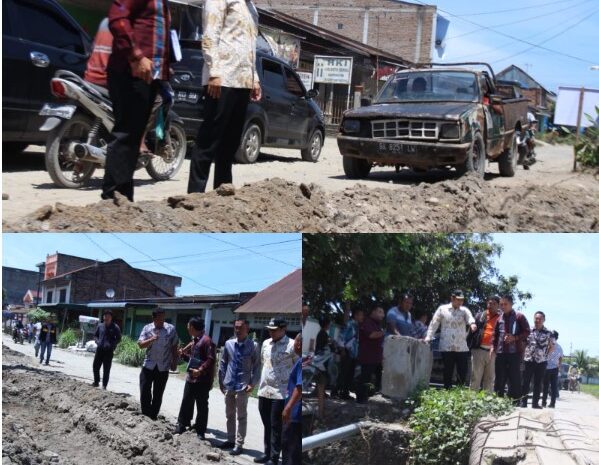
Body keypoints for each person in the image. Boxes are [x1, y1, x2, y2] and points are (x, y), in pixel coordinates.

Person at [187, 0, 262, 194]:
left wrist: (255, 79)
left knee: (230, 144)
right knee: (209, 140)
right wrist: (214, 71)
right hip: (222, 78)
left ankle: (222, 196)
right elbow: (210, 35)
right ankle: (194, 197)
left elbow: (250, 46)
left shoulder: (251, 8)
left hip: (242, 81)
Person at [102, 0, 172, 201]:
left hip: (149, 76)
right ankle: (111, 199)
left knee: (133, 139)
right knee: (125, 135)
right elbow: (118, 19)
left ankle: (123, 199)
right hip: (130, 72)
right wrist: (136, 57)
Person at [256, 318, 298, 465]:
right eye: (269, 330)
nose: (271, 332)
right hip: (264, 390)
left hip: (280, 392)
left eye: (274, 330)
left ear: (283, 329)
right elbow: (263, 362)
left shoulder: (292, 345)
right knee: (267, 424)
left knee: (276, 425)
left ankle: (274, 458)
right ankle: (266, 453)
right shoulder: (266, 343)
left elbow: (296, 367)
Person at [218, 318, 260, 456]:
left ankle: (239, 444)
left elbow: (257, 366)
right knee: (229, 414)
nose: (237, 330)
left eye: (240, 327)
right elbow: (223, 362)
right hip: (229, 384)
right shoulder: (228, 344)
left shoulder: (253, 346)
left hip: (243, 386)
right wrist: (221, 380)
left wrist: (252, 384)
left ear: (247, 329)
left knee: (241, 416)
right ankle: (230, 440)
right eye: (235, 327)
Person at [425, 290, 477, 389]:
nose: (460, 302)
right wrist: (428, 337)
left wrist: (472, 324)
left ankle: (459, 392)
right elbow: (434, 324)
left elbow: (470, 318)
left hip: (461, 346)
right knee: (447, 370)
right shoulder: (442, 309)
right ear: (452, 298)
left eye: (462, 300)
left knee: (462, 371)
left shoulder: (464, 310)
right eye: (458, 300)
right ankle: (447, 390)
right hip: (446, 345)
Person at [174, 318, 215, 438]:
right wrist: (183, 355)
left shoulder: (207, 341)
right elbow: (194, 360)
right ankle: (182, 424)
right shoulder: (195, 341)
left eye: (188, 326)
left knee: (202, 405)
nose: (187, 328)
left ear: (192, 327)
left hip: (202, 380)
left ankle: (200, 431)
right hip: (191, 378)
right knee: (186, 401)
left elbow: (211, 359)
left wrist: (200, 370)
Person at [137, 309, 179, 420]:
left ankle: (153, 416)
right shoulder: (147, 328)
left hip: (163, 367)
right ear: (154, 318)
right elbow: (140, 344)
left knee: (158, 393)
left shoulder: (170, 329)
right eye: (159, 319)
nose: (162, 321)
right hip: (148, 365)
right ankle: (146, 415)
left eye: (163, 318)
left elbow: (174, 346)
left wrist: (174, 362)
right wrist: (151, 339)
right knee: (144, 390)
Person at [491, 295, 530, 401]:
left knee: (515, 378)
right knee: (499, 378)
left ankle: (515, 401)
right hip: (501, 352)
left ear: (511, 304)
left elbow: (527, 331)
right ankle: (498, 401)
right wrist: (492, 347)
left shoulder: (519, 316)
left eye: (505, 304)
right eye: (501, 304)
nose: (503, 306)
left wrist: (515, 337)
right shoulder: (499, 318)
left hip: (515, 353)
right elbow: (495, 334)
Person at [521, 311, 553, 408]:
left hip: (541, 361)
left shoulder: (548, 332)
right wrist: (524, 355)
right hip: (528, 359)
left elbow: (552, 346)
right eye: (536, 318)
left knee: (538, 383)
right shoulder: (528, 330)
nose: (537, 320)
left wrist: (546, 355)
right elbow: (523, 343)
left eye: (540, 319)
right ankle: (524, 402)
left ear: (544, 320)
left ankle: (535, 403)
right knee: (525, 382)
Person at [469, 296, 501, 392]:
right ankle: (471, 401)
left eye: (494, 304)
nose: (490, 305)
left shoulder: (501, 318)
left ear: (498, 306)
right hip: (478, 350)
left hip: (493, 352)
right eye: (489, 303)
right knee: (475, 378)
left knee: (490, 379)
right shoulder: (480, 315)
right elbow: (471, 332)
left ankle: (486, 402)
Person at [356, 304, 385, 404]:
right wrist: (383, 333)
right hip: (368, 356)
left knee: (378, 377)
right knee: (365, 377)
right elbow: (371, 335)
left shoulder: (377, 324)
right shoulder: (367, 322)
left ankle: (371, 395)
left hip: (376, 357)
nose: (383, 315)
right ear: (373, 312)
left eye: (383, 312)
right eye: (380, 312)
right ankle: (360, 399)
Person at [281, 333, 302, 465]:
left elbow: (299, 387)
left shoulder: (301, 362)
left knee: (289, 448)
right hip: (295, 412)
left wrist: (288, 408)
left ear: (299, 344)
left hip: (294, 414)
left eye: (294, 342)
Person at [336, 308, 364, 399]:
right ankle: (336, 392)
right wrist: (342, 350)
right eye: (361, 315)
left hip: (353, 354)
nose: (362, 317)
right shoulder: (349, 324)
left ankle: (345, 393)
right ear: (356, 315)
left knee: (350, 374)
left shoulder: (357, 326)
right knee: (344, 373)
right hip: (347, 352)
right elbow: (341, 337)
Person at [92, 310, 122, 389]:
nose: (106, 318)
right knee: (95, 366)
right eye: (105, 316)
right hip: (100, 349)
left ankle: (104, 385)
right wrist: (97, 342)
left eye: (108, 316)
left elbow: (119, 338)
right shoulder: (100, 326)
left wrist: (112, 345)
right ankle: (96, 382)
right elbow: (95, 335)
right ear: (103, 317)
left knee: (106, 369)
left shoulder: (115, 327)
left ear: (111, 318)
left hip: (109, 351)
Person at [542, 331, 562, 408]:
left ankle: (544, 403)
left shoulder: (548, 345)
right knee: (553, 387)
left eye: (551, 336)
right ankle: (552, 403)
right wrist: (558, 366)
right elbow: (560, 358)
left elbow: (544, 356)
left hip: (547, 368)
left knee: (546, 386)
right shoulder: (559, 347)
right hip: (554, 369)